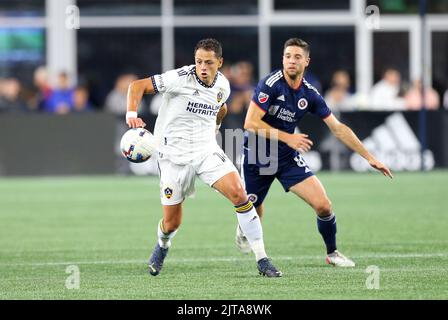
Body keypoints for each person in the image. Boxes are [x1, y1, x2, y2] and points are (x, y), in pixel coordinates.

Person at [125, 38, 281, 277]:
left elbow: (221, 108)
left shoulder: (223, 86)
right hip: (172, 157)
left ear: (220, 62)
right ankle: (162, 245)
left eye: (209, 62)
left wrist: (216, 126)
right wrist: (132, 114)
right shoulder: (179, 78)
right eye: (199, 62)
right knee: (172, 223)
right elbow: (136, 86)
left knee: (240, 194)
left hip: (206, 150)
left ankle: (262, 259)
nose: (203, 67)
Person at [236, 38, 393, 267]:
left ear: (306, 61)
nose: (291, 61)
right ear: (282, 59)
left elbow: (338, 128)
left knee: (323, 205)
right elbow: (250, 122)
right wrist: (288, 136)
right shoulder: (270, 84)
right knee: (254, 209)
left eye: (297, 57)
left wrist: (370, 158)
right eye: (287, 56)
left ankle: (332, 253)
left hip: (287, 157)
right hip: (259, 154)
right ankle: (245, 224)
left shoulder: (309, 94)